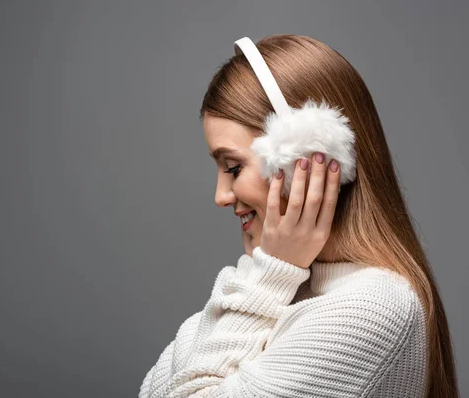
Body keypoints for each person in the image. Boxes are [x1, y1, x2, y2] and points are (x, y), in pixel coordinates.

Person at [138, 34, 458, 398]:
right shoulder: (277, 283)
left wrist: (270, 274)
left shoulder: (373, 307)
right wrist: (269, 273)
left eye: (232, 167)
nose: (221, 196)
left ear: (303, 158)